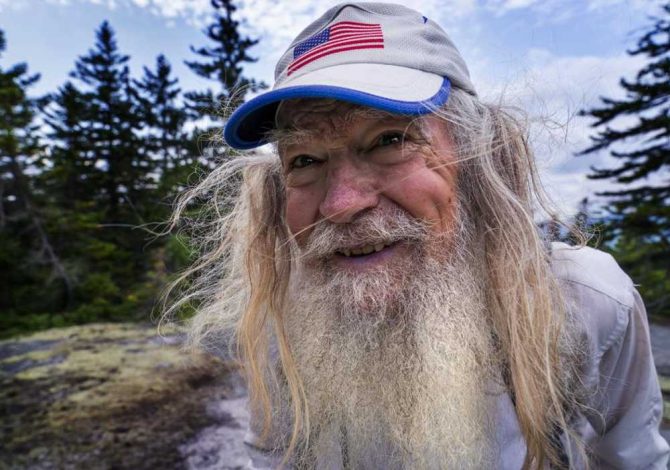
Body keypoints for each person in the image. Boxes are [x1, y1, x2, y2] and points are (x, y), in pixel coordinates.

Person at [172, 2, 669, 468]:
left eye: (391, 140)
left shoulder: (586, 302)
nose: (341, 204)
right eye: (304, 161)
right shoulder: (281, 322)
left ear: (477, 158)